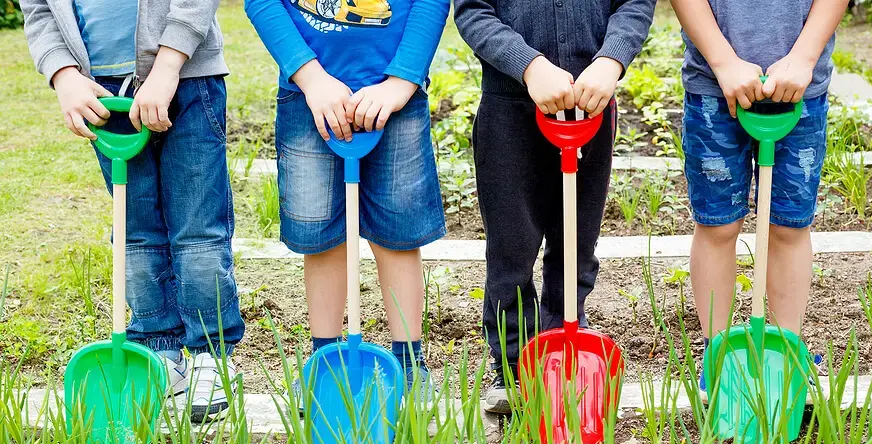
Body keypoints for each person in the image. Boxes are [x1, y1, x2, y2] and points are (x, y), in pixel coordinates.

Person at [22, 0, 245, 422]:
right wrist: (64, 76)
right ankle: (156, 348)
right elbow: (38, 10)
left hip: (186, 77)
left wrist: (167, 67)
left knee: (197, 228)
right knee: (136, 230)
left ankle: (209, 354)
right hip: (100, 91)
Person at [454, 0, 656, 414]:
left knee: (576, 241)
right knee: (512, 246)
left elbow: (634, 4)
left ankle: (564, 344)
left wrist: (611, 59)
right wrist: (529, 65)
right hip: (509, 109)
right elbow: (474, 10)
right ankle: (512, 365)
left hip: (591, 108)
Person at [245, 0, 449, 397]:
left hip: (396, 99)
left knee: (398, 233)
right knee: (319, 233)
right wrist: (311, 78)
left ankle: (409, 363)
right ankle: (326, 361)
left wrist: (402, 80)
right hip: (309, 99)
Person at [671, 0, 846, 391]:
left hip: (801, 88)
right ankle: (717, 355)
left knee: (789, 226)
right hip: (713, 89)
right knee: (717, 226)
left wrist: (803, 56)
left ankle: (785, 351)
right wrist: (723, 62)